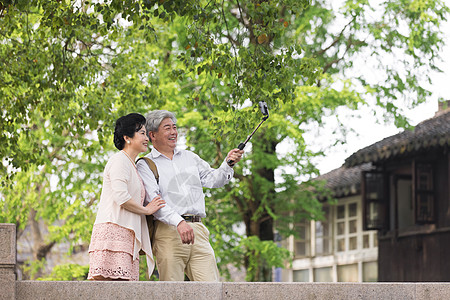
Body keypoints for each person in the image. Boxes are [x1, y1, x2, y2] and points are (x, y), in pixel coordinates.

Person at [136, 110, 244, 281]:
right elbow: (155, 201)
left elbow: (213, 180)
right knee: (172, 292)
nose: (173, 132)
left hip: (198, 231)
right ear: (152, 135)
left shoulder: (190, 157)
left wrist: (228, 163)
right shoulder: (145, 165)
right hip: (168, 232)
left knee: (212, 290)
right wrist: (179, 222)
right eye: (167, 128)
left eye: (174, 127)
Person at [88, 113, 166, 281]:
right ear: (127, 137)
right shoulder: (119, 160)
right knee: (109, 289)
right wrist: (146, 210)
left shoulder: (132, 164)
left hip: (126, 235)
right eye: (142, 133)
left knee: (124, 290)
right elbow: (121, 197)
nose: (147, 138)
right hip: (113, 232)